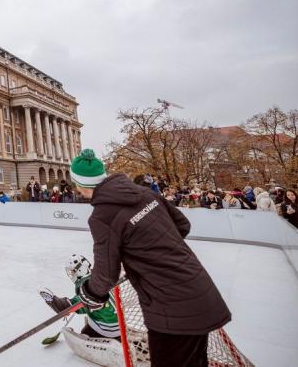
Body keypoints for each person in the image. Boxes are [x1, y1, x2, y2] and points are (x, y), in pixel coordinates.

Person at [69, 149, 230, 367]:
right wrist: (151, 253)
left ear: (80, 185)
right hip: (199, 290)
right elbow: (182, 226)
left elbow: (106, 273)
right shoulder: (145, 193)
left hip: (170, 309)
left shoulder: (102, 216)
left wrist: (90, 294)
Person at [41, 254, 120, 341]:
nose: (71, 275)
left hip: (108, 328)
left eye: (71, 272)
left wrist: (63, 305)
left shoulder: (88, 286)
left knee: (86, 330)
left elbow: (85, 301)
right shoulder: (99, 278)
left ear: (80, 269)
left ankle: (100, 339)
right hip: (119, 322)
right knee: (90, 311)